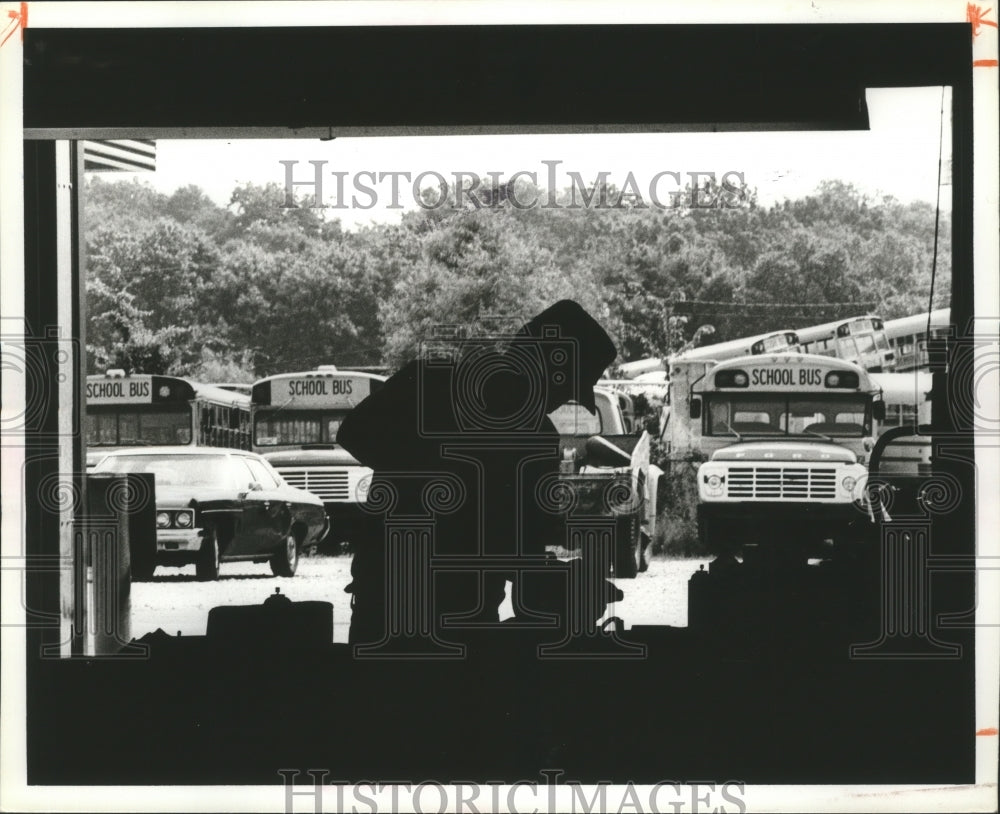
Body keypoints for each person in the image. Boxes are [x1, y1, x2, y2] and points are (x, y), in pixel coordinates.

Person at [337, 300, 621, 646]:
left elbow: (525, 552)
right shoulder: (435, 383)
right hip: (439, 613)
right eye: (564, 390)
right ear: (549, 367)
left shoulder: (435, 381)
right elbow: (353, 433)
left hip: (406, 606)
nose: (558, 401)